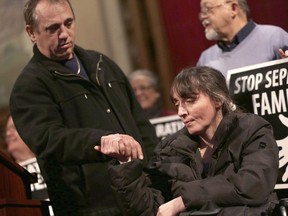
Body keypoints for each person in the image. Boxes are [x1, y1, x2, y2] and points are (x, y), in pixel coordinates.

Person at [9, 0, 158, 215]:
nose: (64, 34)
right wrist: (101, 141)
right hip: (90, 206)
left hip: (141, 191)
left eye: (68, 23)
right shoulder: (29, 87)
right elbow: (50, 140)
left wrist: (155, 171)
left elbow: (140, 125)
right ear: (31, 32)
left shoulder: (102, 64)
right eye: (53, 28)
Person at [96, 66, 279, 215]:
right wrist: (125, 165)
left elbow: (254, 185)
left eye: (190, 101)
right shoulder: (170, 149)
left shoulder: (251, 129)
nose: (181, 112)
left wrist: (184, 201)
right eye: (177, 104)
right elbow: (151, 210)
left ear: (217, 99)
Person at [197, 0, 288, 78]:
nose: (202, 17)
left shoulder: (275, 38)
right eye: (202, 12)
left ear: (233, 8)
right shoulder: (206, 59)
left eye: (207, 10)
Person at [4, 113, 54, 215]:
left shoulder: (53, 161)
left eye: (14, 128)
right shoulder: (6, 174)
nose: (8, 134)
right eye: (7, 131)